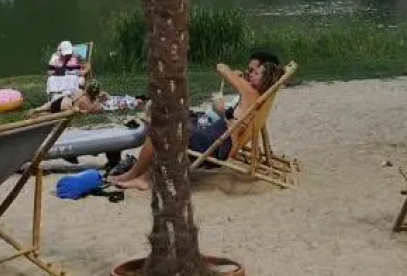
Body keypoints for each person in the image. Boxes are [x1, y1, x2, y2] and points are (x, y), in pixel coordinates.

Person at [111, 51, 285, 191]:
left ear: (265, 79)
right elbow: (236, 123)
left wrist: (234, 74)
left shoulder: (250, 92)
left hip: (217, 142)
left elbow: (220, 67)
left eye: (256, 74)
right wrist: (226, 112)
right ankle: (140, 176)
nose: (251, 75)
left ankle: (136, 176)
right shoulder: (258, 97)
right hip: (221, 139)